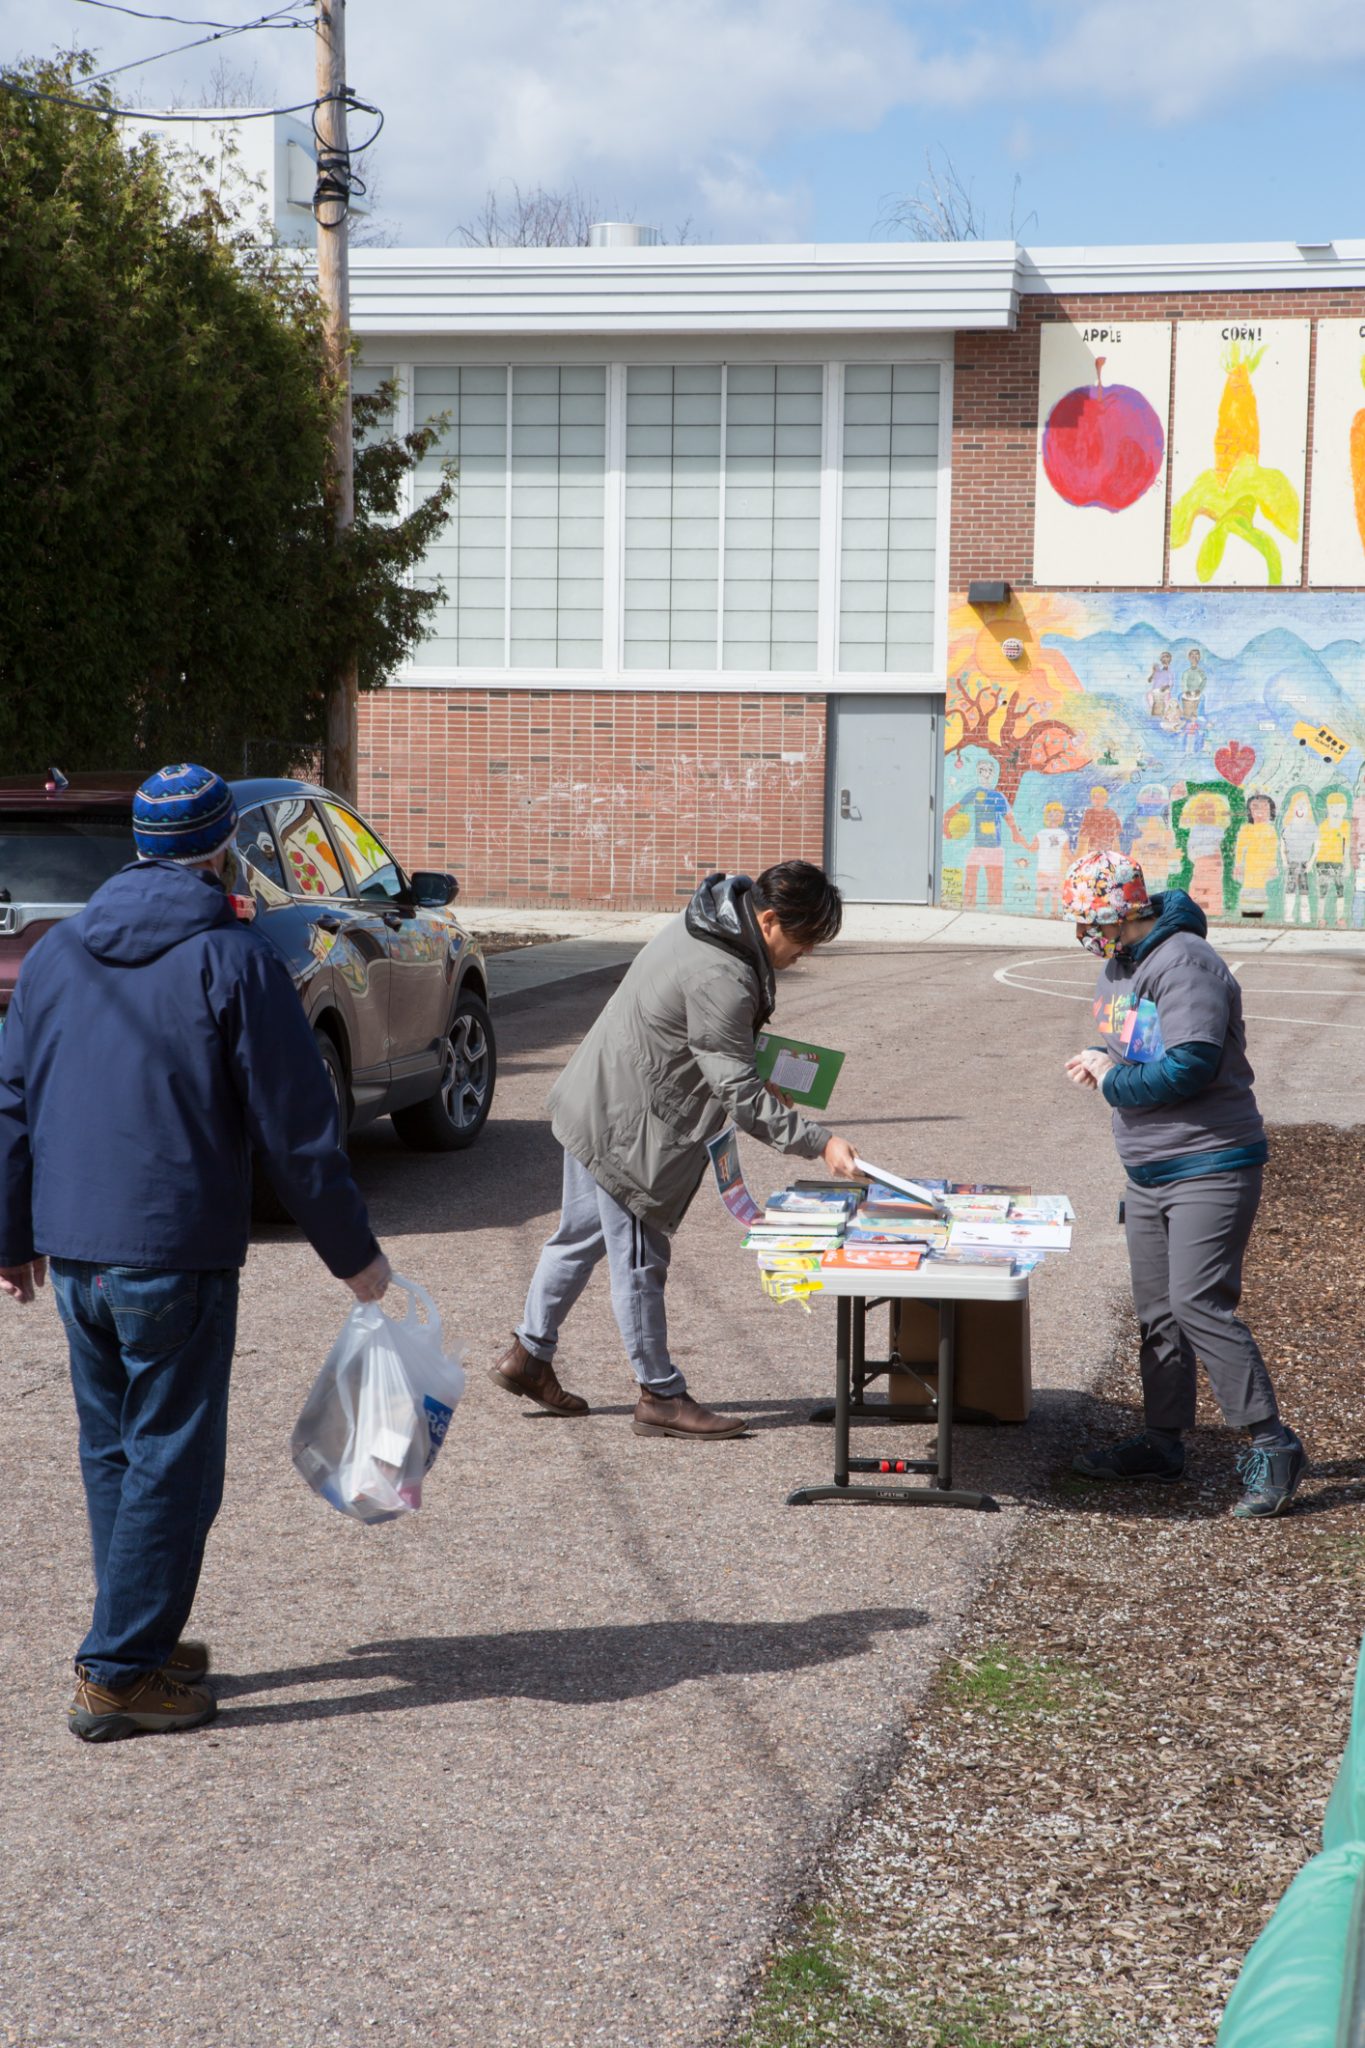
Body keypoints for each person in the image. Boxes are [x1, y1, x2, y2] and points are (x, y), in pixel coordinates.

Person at [0, 764, 391, 1742]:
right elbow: (299, 1131)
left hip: (77, 1252)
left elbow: (10, 1103)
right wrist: (358, 1261)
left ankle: (137, 1630)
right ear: (224, 849)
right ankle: (118, 1669)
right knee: (175, 1461)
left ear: (138, 846)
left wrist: (10, 1235)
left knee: (118, 1452)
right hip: (172, 1250)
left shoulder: (53, 956)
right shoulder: (237, 957)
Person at [491, 862, 859, 1438]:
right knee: (640, 1261)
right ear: (767, 920)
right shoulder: (724, 973)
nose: (804, 954)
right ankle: (659, 1395)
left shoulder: (710, 924)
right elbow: (735, 1091)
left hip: (599, 1099)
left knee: (580, 1234)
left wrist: (754, 1071)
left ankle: (529, 1355)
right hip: (629, 1128)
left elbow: (711, 1047)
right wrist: (820, 1143)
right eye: (803, 940)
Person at [1058, 849, 1305, 1519]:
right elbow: (1140, 1048)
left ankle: (1272, 1446)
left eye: (1092, 920)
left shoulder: (1186, 963)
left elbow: (1189, 1066)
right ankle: (1162, 1443)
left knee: (1199, 1305)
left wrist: (1113, 1080)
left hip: (1211, 1163)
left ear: (1127, 911)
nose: (1084, 933)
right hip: (1148, 1168)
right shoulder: (1122, 966)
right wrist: (1105, 1059)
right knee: (1158, 1313)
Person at [943, 756, 1029, 909]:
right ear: (977, 772)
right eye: (982, 770)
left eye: (989, 770)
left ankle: (994, 909)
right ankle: (969, 906)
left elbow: (1010, 819)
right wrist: (946, 827)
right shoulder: (975, 793)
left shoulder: (998, 797)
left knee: (994, 882)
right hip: (978, 847)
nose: (986, 773)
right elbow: (952, 810)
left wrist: (1016, 835)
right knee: (970, 876)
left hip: (995, 847)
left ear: (993, 773)